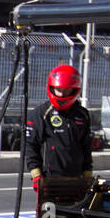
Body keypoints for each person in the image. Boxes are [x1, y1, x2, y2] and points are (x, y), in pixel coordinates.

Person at [25, 64, 93, 192]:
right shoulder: (40, 114)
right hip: (49, 180)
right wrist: (36, 174)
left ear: (74, 90)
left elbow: (86, 146)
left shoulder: (82, 115)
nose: (61, 94)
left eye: (66, 90)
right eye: (58, 90)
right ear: (52, 88)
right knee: (49, 212)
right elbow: (30, 146)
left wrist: (87, 173)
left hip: (76, 180)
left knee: (75, 212)